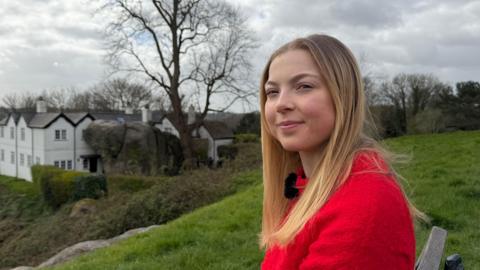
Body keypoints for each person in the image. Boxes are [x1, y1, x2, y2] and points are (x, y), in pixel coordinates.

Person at [259, 34, 422, 269]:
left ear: (343, 97)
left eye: (304, 86)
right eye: (272, 92)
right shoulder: (307, 186)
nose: (280, 104)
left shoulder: (363, 202)